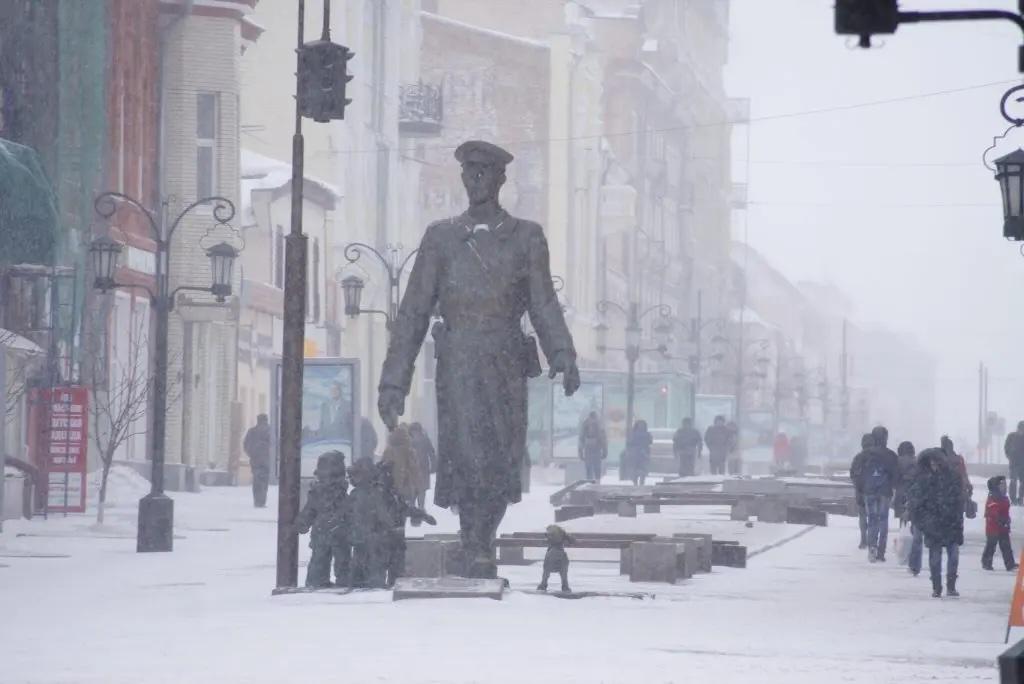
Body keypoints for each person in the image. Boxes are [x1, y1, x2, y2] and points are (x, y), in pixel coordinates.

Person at [377, 139, 580, 579]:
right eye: (469, 174)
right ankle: (475, 543)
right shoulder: (441, 238)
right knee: (466, 453)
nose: (476, 181)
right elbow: (413, 312)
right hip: (459, 362)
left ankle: (483, 538)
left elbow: (544, 303)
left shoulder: (526, 237)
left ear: (501, 179)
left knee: (502, 454)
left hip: (506, 360)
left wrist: (562, 351)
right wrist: (394, 382)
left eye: (484, 174)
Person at [908, 447, 965, 598]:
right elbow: (917, 505)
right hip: (933, 525)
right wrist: (925, 522)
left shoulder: (952, 477)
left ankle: (951, 585)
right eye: (931, 463)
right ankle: (937, 586)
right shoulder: (923, 481)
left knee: (953, 557)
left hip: (950, 523)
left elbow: (959, 499)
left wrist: (958, 518)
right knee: (935, 558)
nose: (934, 466)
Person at [374, 460, 436, 587]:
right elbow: (383, 514)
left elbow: (404, 508)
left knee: (395, 569)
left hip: (394, 538)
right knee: (381, 569)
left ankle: (392, 584)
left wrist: (422, 515)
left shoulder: (392, 493)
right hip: (384, 538)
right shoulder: (377, 494)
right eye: (387, 474)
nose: (390, 477)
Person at [296, 451, 349, 588]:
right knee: (337, 559)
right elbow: (311, 509)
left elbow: (310, 510)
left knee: (322, 559)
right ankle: (339, 581)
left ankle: (318, 581)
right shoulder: (337, 491)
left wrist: (304, 521)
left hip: (325, 531)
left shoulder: (319, 491)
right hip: (336, 531)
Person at [858, 426, 900, 562]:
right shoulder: (891, 455)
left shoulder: (865, 455)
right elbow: (896, 474)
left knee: (872, 520)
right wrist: (893, 487)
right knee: (883, 520)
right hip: (885, 492)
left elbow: (856, 472)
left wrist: (862, 487)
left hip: (869, 491)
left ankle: (872, 547)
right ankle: (881, 551)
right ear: (885, 438)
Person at [982, 475, 1018, 572]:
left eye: (1005, 485)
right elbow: (992, 510)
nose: (1005, 487)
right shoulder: (993, 497)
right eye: (1002, 485)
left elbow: (1005, 511)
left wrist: (1007, 520)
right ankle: (986, 562)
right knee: (991, 545)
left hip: (1003, 526)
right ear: (996, 486)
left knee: (1006, 546)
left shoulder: (1004, 497)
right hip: (993, 526)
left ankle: (1010, 563)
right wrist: (1000, 519)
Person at [381, 424, 421, 507]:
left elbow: (382, 466)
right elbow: (414, 470)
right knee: (402, 511)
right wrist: (417, 487)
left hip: (390, 487)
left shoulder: (388, 450)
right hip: (405, 487)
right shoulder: (409, 451)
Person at [849, 433, 875, 551]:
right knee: (874, 517)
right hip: (874, 491)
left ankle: (863, 540)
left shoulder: (858, 457)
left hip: (861, 490)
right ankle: (872, 540)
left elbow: (852, 474)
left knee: (863, 516)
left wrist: (857, 485)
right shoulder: (876, 457)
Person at [243, 413, 272, 508]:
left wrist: (251, 454)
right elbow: (275, 444)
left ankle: (256, 501)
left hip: (255, 461)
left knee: (256, 481)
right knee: (264, 482)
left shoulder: (251, 431)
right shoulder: (270, 431)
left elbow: (246, 445)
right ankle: (262, 501)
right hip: (266, 461)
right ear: (266, 420)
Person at [537, 524, 574, 593]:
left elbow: (545, 541)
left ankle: (543, 585)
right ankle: (565, 586)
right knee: (563, 571)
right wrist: (566, 536)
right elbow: (572, 541)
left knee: (546, 570)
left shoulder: (550, 535)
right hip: (561, 554)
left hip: (552, 554)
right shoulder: (562, 534)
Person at [408, 423, 434, 510]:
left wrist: (433, 465)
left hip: (421, 468)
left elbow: (431, 453)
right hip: (416, 468)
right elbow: (432, 453)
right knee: (416, 489)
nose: (414, 433)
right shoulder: (413, 441)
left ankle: (419, 507)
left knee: (419, 489)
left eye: (415, 431)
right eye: (413, 431)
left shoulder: (423, 440)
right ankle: (415, 506)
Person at [578, 411, 607, 482]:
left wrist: (580, 452)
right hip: (597, 449)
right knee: (597, 468)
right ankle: (597, 482)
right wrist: (605, 451)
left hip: (588, 449)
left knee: (588, 468)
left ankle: (589, 483)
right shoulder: (599, 424)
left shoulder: (585, 424)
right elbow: (603, 439)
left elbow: (581, 438)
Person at [892, 441, 917, 523]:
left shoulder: (897, 461)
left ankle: (903, 528)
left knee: (901, 510)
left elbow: (895, 475)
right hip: (913, 488)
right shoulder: (916, 460)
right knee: (913, 510)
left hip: (901, 488)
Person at [626, 419, 653, 486]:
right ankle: (637, 482)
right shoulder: (634, 434)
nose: (641, 427)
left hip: (642, 453)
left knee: (642, 468)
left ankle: (640, 481)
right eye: (640, 425)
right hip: (637, 454)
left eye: (642, 425)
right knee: (637, 468)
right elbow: (629, 443)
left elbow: (650, 442)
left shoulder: (646, 434)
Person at [1006, 422, 1024, 504]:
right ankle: (1013, 499)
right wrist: (1009, 456)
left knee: (1022, 482)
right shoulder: (1011, 436)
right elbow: (1006, 447)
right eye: (1021, 428)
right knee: (1013, 481)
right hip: (1013, 463)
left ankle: (1020, 499)